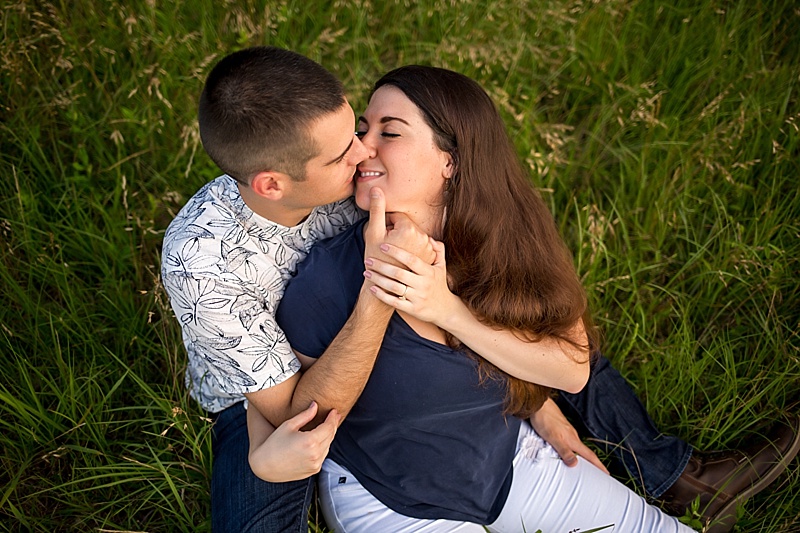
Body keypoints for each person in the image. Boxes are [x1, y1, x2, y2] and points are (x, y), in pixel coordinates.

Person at [162, 46, 798, 532]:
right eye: (343, 154)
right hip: (265, 393)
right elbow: (298, 415)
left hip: (415, 345)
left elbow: (542, 343)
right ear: (272, 184)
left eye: (363, 128)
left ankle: (678, 476)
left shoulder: (362, 180)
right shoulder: (204, 267)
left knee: (529, 322)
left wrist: (533, 400)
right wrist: (381, 291)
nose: (362, 153)